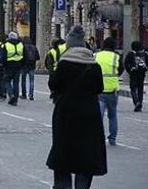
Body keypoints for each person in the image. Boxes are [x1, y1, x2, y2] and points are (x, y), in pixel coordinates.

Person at [46, 25, 107, 188]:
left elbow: (53, 84)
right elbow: (99, 88)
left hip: (66, 114)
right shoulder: (94, 66)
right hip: (89, 114)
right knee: (86, 156)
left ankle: (62, 185)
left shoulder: (64, 64)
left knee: (63, 155)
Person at [95, 37, 123, 146]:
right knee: (112, 116)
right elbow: (120, 70)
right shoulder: (117, 57)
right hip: (113, 90)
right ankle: (112, 138)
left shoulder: (96, 56)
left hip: (99, 90)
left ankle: (98, 137)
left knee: (99, 117)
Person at [123, 41, 147, 112]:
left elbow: (126, 63)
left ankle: (136, 102)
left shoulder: (131, 54)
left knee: (133, 89)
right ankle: (140, 103)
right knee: (140, 89)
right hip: (142, 74)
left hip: (133, 74)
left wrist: (129, 71)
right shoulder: (145, 54)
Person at [3, 31, 24, 106]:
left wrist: (4, 65)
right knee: (16, 83)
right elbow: (24, 55)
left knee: (7, 81)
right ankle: (16, 99)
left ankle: (11, 94)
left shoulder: (6, 45)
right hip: (18, 65)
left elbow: (4, 56)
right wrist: (22, 65)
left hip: (9, 65)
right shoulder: (20, 44)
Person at [20, 36, 39, 100]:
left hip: (24, 66)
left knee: (23, 80)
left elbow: (21, 57)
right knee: (31, 81)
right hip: (32, 66)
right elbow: (38, 57)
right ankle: (31, 95)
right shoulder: (34, 47)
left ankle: (24, 94)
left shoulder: (23, 47)